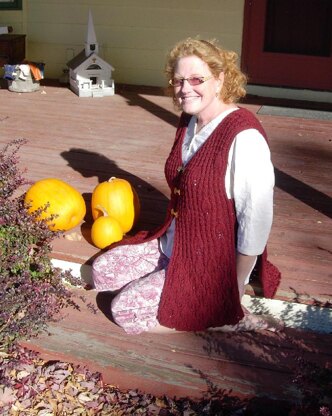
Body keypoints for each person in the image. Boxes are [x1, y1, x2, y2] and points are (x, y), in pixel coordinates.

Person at [92, 37, 282, 335]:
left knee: (124, 310)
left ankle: (221, 320)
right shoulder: (189, 120)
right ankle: (169, 281)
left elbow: (256, 218)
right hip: (172, 243)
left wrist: (234, 287)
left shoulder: (244, 136)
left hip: (208, 259)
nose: (185, 88)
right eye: (179, 80)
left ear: (220, 80)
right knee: (102, 271)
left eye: (197, 79)